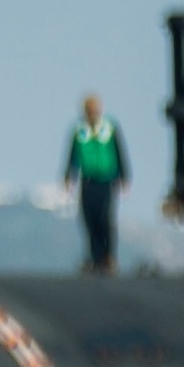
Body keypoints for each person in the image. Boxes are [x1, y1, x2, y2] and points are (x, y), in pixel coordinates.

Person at [64, 95, 130, 272]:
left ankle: (109, 256)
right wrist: (69, 176)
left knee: (105, 219)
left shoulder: (109, 128)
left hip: (106, 180)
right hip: (87, 181)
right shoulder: (79, 130)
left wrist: (124, 176)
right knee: (89, 219)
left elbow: (119, 151)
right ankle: (94, 256)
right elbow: (72, 155)